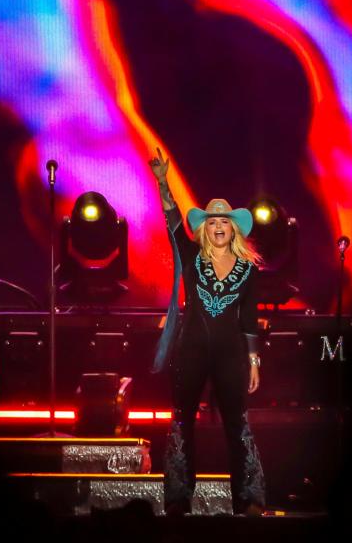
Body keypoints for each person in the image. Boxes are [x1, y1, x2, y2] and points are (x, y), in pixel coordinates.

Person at [149, 147, 265, 515]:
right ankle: (178, 499)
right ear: (205, 227)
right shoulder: (191, 256)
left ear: (233, 228)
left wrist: (254, 361)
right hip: (191, 351)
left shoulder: (248, 270)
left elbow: (249, 319)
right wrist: (164, 182)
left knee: (238, 424)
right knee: (182, 422)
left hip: (232, 355)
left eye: (224, 220)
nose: (218, 225)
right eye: (212, 220)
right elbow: (171, 219)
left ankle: (248, 499)